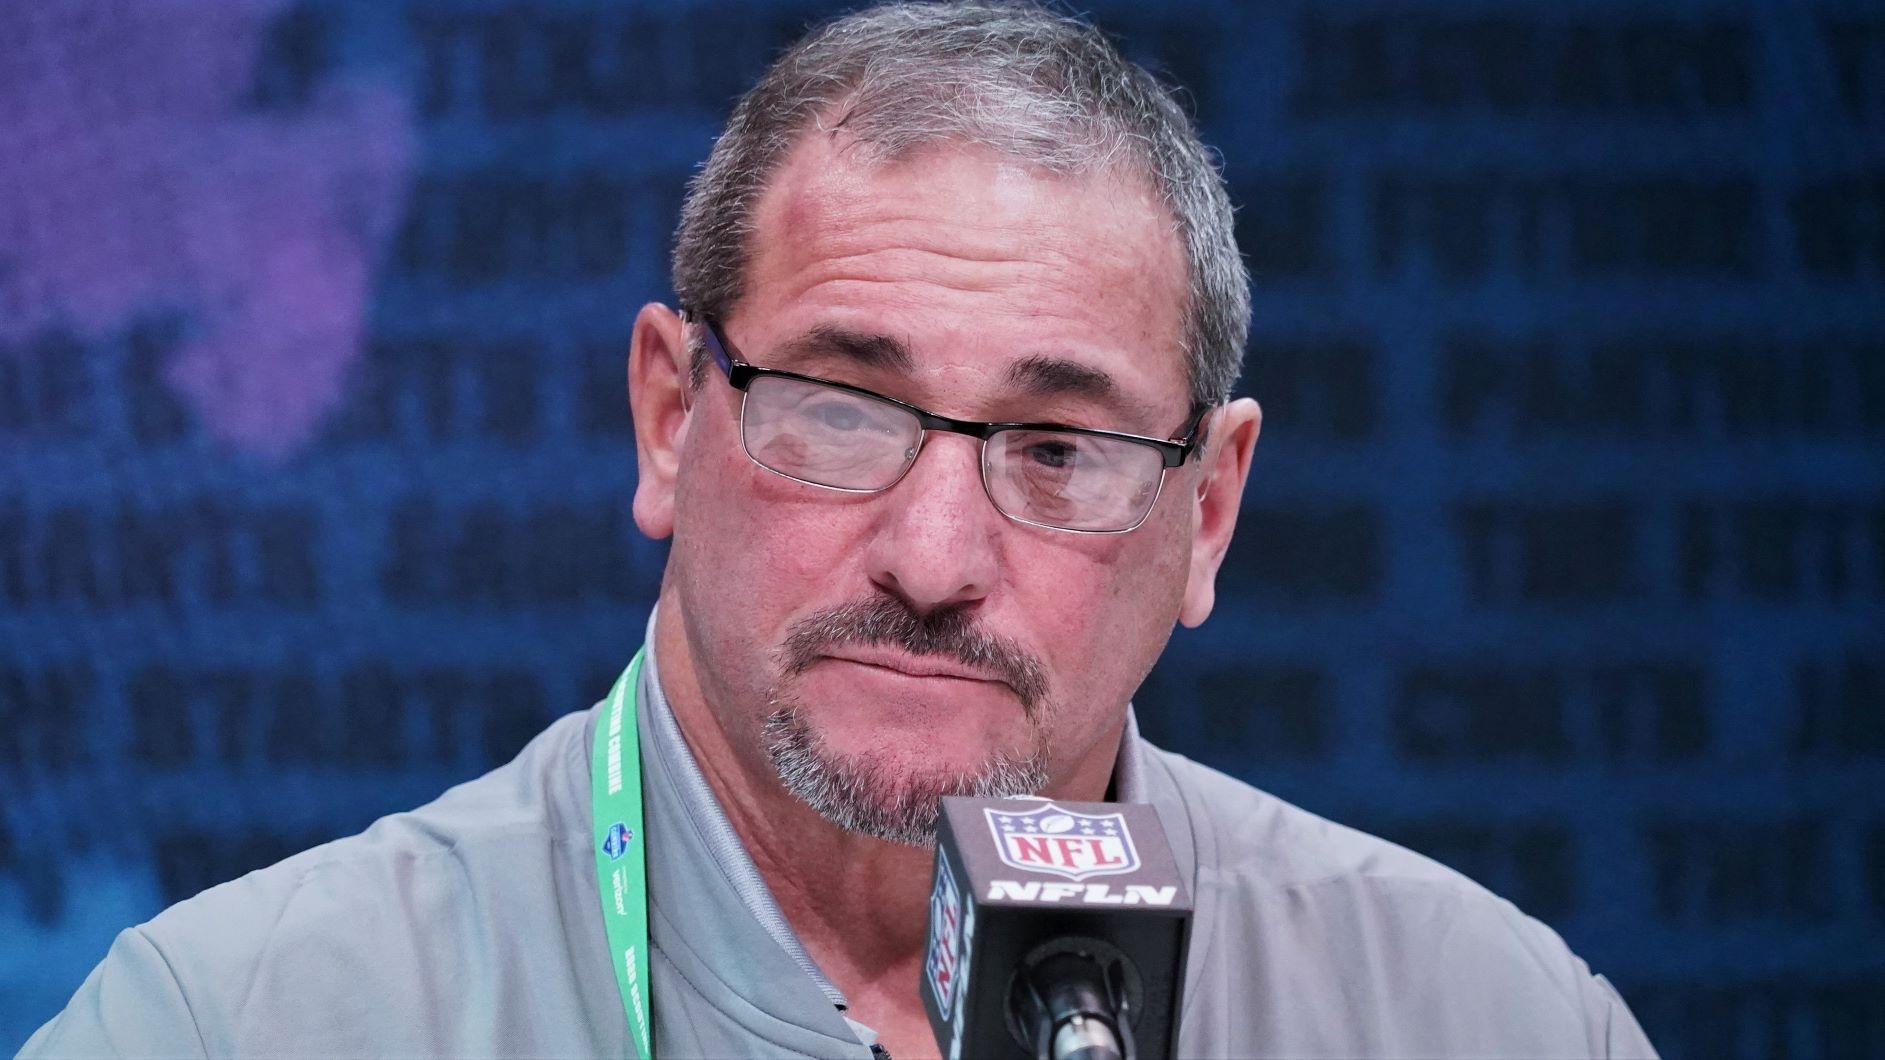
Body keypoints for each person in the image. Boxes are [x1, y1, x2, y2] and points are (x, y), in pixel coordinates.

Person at [25, 3, 1657, 1057]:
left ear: (1207, 512)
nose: (934, 558)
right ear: (673, 417)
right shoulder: (242, 1024)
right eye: (841, 410)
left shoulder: (1478, 1017)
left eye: (1057, 447)